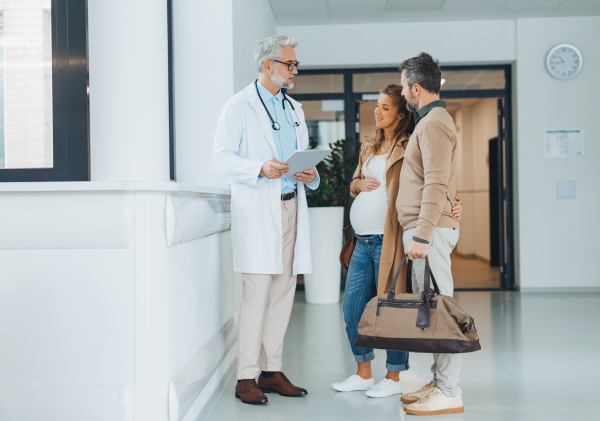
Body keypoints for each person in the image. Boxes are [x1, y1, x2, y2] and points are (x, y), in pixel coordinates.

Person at [331, 84, 462, 399]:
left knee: (390, 309)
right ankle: (363, 372)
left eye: (385, 107)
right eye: (377, 105)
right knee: (351, 310)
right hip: (361, 242)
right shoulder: (370, 145)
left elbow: (433, 178)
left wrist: (453, 202)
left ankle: (392, 375)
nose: (377, 111)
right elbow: (354, 182)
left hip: (389, 240)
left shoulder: (411, 144)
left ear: (401, 114)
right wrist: (357, 183)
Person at [212, 35, 320, 405]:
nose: (294, 70)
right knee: (257, 293)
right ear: (266, 66)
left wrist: (311, 175)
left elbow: (301, 158)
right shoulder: (238, 106)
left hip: (291, 204)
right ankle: (246, 376)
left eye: (295, 64)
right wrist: (259, 167)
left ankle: (272, 370)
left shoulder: (294, 108)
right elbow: (221, 158)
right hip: (259, 208)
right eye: (288, 64)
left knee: (283, 291)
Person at [396, 52, 464, 415]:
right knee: (434, 308)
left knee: (439, 311)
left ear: (416, 88)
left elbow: (436, 181)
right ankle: (439, 383)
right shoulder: (432, 121)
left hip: (430, 233)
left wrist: (421, 235)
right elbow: (442, 179)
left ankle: (450, 390)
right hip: (430, 229)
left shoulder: (434, 122)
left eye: (405, 85)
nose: (404, 91)